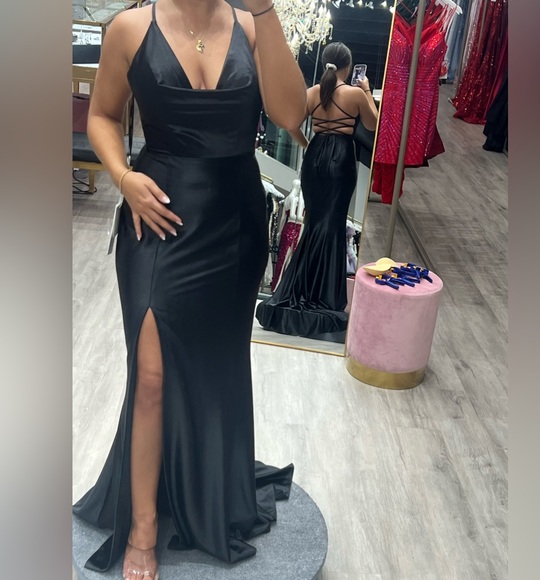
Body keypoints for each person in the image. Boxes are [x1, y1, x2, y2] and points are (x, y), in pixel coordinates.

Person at [72, 1, 306, 579]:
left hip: (235, 226)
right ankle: (142, 528)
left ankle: (206, 482)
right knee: (151, 374)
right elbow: (101, 115)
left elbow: (289, 112)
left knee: (218, 365)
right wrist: (123, 177)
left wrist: (266, 10)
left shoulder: (251, 26)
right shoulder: (130, 28)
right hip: (157, 217)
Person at [255, 41, 378, 343]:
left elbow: (291, 124)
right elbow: (373, 124)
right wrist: (366, 91)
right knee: (332, 224)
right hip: (341, 159)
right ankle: (324, 294)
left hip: (315, 156)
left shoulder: (312, 93)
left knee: (313, 223)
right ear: (349, 67)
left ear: (325, 64)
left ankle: (300, 286)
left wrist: (308, 145)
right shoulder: (354, 94)